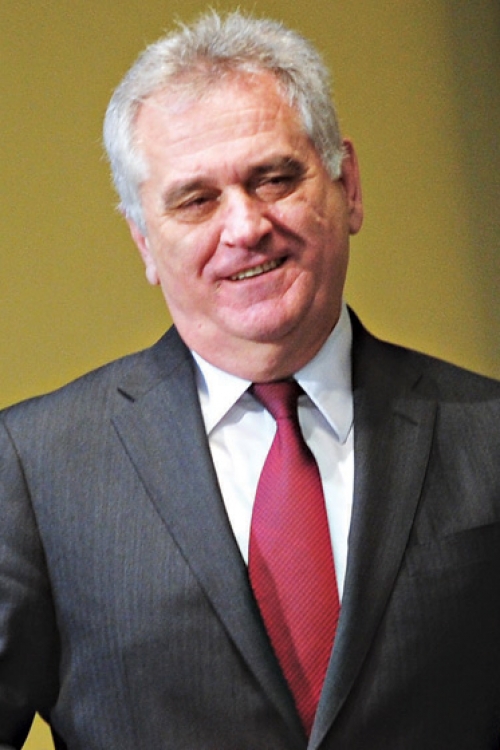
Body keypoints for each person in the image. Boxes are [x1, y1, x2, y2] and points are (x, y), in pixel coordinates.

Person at [1, 10, 500, 749]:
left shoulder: (486, 435)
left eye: (274, 178)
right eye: (195, 200)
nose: (244, 227)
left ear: (348, 185)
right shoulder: (35, 467)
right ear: (144, 240)